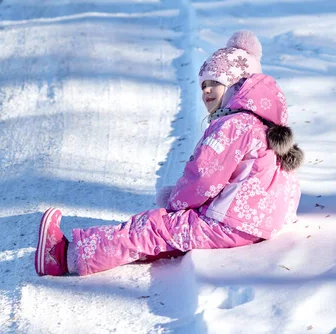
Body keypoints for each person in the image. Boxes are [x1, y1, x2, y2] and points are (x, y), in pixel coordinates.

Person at [35, 30, 304, 276]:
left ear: (237, 85)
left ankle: (62, 256)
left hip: (233, 222)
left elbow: (203, 176)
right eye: (203, 85)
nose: (206, 90)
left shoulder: (233, 125)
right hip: (261, 222)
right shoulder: (265, 123)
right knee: (172, 234)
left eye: (216, 83)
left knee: (153, 228)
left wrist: (175, 204)